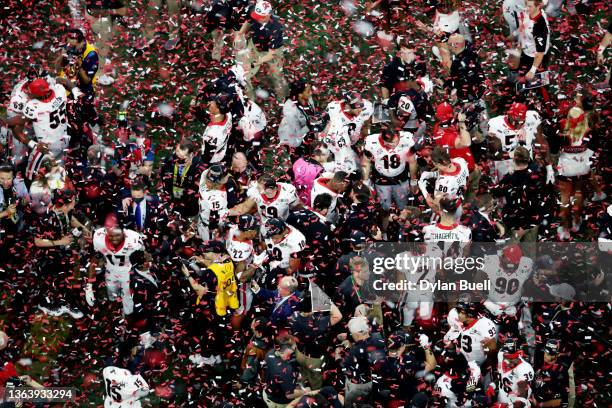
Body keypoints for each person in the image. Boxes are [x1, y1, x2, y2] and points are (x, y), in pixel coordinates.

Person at [33, 189, 87, 318]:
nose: (75, 203)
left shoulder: (65, 211)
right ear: (67, 203)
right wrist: (60, 242)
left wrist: (83, 228)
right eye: (74, 201)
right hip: (47, 255)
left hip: (62, 251)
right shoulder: (46, 217)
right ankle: (45, 304)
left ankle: (65, 302)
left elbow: (71, 218)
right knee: (49, 280)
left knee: (65, 278)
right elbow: (37, 241)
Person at [87, 216, 145, 316]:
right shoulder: (98, 237)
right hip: (111, 271)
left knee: (128, 306)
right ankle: (115, 310)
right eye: (111, 235)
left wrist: (140, 263)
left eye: (117, 235)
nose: (114, 239)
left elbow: (144, 257)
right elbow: (94, 259)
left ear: (123, 231)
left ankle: (127, 317)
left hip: (128, 273)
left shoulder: (134, 239)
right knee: (112, 295)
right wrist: (89, 286)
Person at [234, 1, 288, 100]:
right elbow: (248, 21)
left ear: (268, 15)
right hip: (255, 46)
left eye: (261, 17)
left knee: (277, 75)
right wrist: (240, 33)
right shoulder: (254, 13)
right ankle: (250, 101)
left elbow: (271, 54)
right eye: (256, 16)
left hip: (271, 51)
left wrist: (256, 63)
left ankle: (283, 97)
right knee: (245, 75)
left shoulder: (276, 28)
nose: (257, 19)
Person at [490, 146, 544, 242]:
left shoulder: (510, 179)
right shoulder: (537, 172)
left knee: (511, 254)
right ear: (528, 159)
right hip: (533, 220)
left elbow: (495, 192)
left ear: (514, 159)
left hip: (516, 223)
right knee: (529, 254)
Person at [290, 292, 343, 390]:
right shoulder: (318, 323)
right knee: (316, 379)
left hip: (299, 353)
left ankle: (302, 384)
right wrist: (326, 301)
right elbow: (338, 316)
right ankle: (314, 392)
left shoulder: (293, 316)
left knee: (304, 371)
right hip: (315, 359)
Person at [338, 316, 386, 407]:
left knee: (353, 403)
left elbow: (344, 367)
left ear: (356, 334)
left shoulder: (355, 351)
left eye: (351, 333)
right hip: (375, 381)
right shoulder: (378, 336)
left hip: (360, 385)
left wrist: (338, 356)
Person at [262, 339, 310, 407]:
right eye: (288, 355)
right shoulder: (286, 370)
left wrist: (294, 376)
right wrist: (306, 392)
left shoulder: (270, 353)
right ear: (281, 352)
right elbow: (289, 395)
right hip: (279, 403)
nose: (289, 358)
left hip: (267, 393)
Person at [514, 0, 550, 81]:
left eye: (530, 6)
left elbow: (540, 52)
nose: (527, 8)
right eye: (526, 5)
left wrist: (532, 70)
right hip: (526, 50)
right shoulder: (527, 13)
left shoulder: (540, 26)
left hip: (535, 57)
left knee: (538, 82)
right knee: (522, 76)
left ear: (538, 6)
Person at [279, 80, 317, 149]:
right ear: (300, 94)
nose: (311, 93)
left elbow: (311, 113)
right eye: (308, 91)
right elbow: (298, 133)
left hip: (307, 132)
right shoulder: (290, 110)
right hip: (293, 140)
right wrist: (310, 126)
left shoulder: (307, 98)